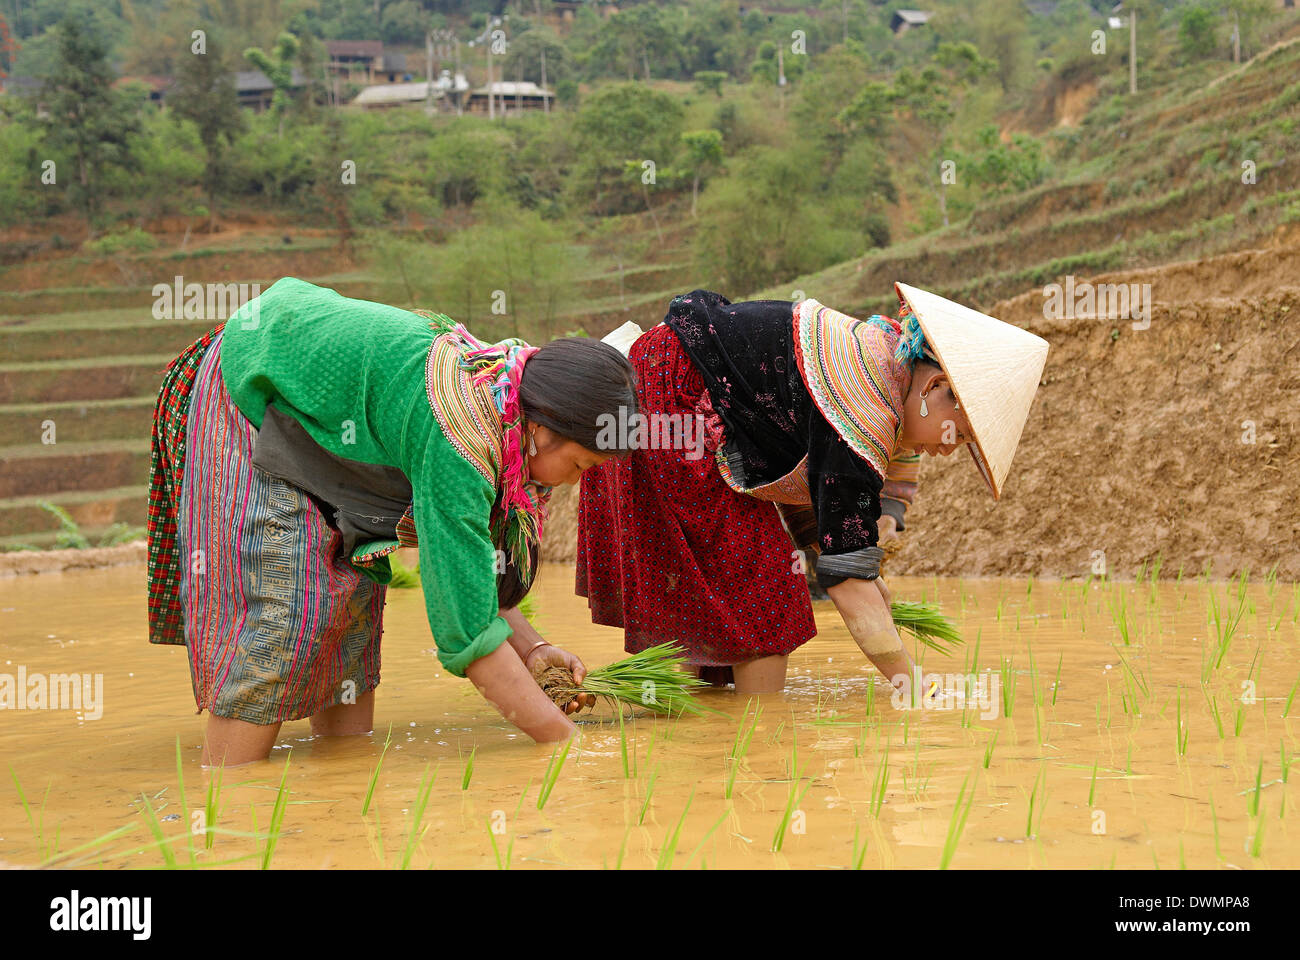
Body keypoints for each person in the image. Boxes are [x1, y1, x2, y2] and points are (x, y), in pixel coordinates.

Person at [147, 277, 637, 765]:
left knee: (355, 605)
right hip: (254, 374)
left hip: (324, 409)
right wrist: (569, 745)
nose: (572, 483)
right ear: (543, 427)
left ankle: (339, 785)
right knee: (290, 609)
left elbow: (467, 577)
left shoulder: (505, 396)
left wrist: (534, 650)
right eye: (579, 466)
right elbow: (466, 635)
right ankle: (227, 789)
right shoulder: (461, 436)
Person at [577, 283, 1048, 694]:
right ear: (935, 387)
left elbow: (830, 526)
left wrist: (870, 581)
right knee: (766, 598)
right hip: (672, 404)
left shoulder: (878, 356)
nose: (949, 449)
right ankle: (759, 747)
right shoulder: (866, 414)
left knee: (710, 599)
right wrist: (911, 684)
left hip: (659, 382)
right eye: (959, 434)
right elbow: (844, 581)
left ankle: (702, 752)